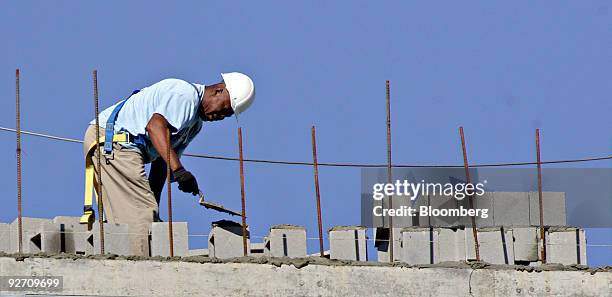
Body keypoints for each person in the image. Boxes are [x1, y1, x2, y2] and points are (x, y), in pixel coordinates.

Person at [82, 72, 255, 255]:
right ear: (219, 90)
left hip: (119, 147)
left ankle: (133, 263)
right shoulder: (185, 95)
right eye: (225, 108)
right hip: (114, 142)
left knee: (145, 218)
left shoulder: (195, 125)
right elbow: (155, 126)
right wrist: (179, 171)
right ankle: (140, 275)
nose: (221, 116)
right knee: (141, 219)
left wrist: (153, 205)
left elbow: (161, 163)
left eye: (227, 116)